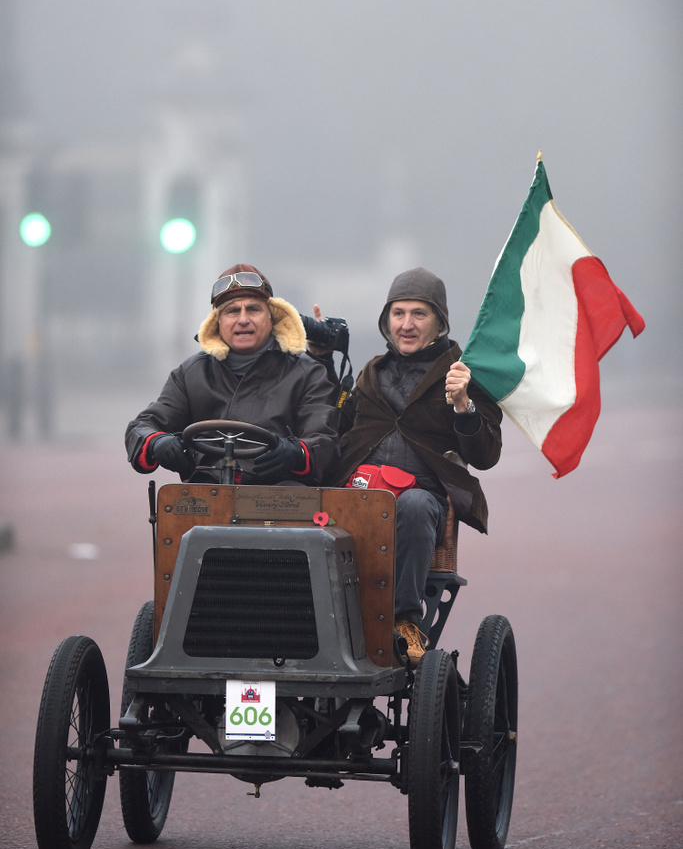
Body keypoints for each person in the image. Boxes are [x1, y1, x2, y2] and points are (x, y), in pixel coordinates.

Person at [323, 267, 502, 665]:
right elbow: (331, 431)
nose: (406, 324)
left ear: (440, 321)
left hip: (423, 504)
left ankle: (405, 620)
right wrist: (321, 361)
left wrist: (463, 406)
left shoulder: (463, 373)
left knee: (415, 505)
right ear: (386, 321)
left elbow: (487, 455)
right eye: (398, 313)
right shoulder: (370, 372)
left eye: (419, 314)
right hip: (357, 495)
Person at [126, 264, 339, 485]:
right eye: (232, 311)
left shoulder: (307, 373)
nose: (243, 319)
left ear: (271, 318)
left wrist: (297, 453)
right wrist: (156, 442)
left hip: (280, 501)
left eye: (253, 309)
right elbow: (142, 426)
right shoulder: (192, 373)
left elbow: (325, 440)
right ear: (217, 322)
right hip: (206, 498)